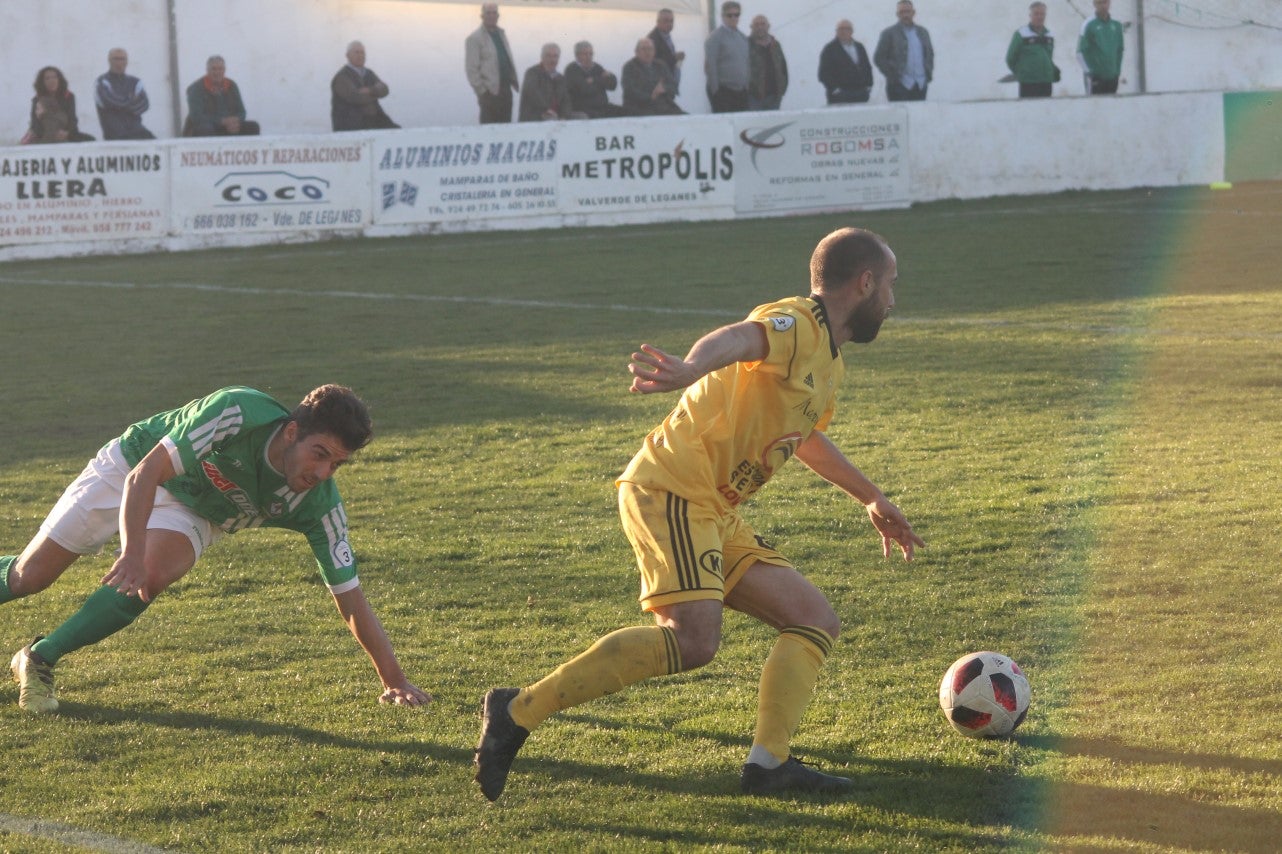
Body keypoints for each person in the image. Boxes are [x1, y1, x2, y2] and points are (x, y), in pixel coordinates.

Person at [475, 228, 924, 800]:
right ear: (865, 283)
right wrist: (691, 367)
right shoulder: (798, 321)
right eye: (890, 285)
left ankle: (769, 765)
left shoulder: (829, 364)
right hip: (673, 490)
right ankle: (516, 711)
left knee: (814, 619)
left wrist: (871, 496)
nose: (892, 299)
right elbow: (740, 337)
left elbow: (805, 439)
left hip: (713, 509)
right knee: (693, 641)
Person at [5, 385, 430, 715]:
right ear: (292, 431)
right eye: (319, 455)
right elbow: (146, 474)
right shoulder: (238, 412)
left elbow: (350, 595)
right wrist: (131, 550)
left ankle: (39, 659)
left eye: (336, 464)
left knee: (150, 577)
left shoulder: (318, 506)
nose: (322, 473)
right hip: (134, 465)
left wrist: (394, 680)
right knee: (31, 576)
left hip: (198, 510)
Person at [465, 3, 520, 124]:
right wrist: (483, 92)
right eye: (488, 13)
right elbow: (471, 70)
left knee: (505, 129)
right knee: (489, 131)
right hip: (490, 93)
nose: (491, 16)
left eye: (494, 13)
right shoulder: (474, 38)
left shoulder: (501, 34)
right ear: (482, 16)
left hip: (505, 91)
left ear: (498, 16)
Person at [183, 55, 261, 136]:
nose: (217, 72)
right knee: (205, 129)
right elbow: (197, 117)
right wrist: (222, 121)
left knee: (253, 126)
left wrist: (235, 121)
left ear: (224, 70)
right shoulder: (195, 89)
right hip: (206, 128)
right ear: (207, 70)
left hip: (228, 127)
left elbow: (242, 112)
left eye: (220, 69)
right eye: (214, 69)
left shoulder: (232, 85)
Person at [331, 41, 399, 131]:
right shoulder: (341, 77)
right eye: (357, 52)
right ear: (348, 55)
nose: (360, 56)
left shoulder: (369, 73)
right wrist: (376, 92)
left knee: (398, 133)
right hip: (350, 125)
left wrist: (369, 90)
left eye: (362, 52)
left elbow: (385, 90)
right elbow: (356, 97)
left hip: (375, 120)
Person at [873, 1, 934, 102]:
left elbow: (929, 54)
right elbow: (879, 58)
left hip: (920, 84)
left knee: (918, 115)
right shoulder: (889, 33)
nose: (905, 15)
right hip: (899, 85)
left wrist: (928, 73)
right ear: (897, 14)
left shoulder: (923, 32)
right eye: (902, 12)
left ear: (913, 12)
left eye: (907, 11)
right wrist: (893, 76)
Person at [23, 66, 95, 144]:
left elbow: (72, 119)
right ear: (42, 82)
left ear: (59, 80)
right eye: (47, 78)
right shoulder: (37, 100)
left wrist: (66, 132)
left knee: (91, 140)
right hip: (45, 135)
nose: (52, 81)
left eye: (55, 77)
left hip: (65, 133)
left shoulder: (68, 96)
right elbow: (35, 125)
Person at [95, 48, 154, 140]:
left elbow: (144, 105)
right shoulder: (102, 82)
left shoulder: (135, 82)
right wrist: (131, 100)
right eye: (116, 59)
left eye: (122, 59)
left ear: (127, 61)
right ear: (109, 61)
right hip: (114, 134)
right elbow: (109, 102)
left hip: (137, 131)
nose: (119, 62)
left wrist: (121, 102)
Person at [704, 1, 750, 113]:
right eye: (730, 15)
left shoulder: (743, 37)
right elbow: (710, 66)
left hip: (741, 92)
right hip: (724, 92)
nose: (733, 18)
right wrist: (716, 91)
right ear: (723, 16)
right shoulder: (715, 37)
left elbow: (746, 63)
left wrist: (747, 86)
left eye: (737, 14)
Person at [519, 43, 583, 122]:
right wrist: (546, 109)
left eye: (555, 56)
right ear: (542, 57)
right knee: (550, 119)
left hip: (556, 116)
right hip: (536, 115)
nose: (552, 59)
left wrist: (564, 116)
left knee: (582, 117)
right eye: (548, 56)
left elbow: (566, 100)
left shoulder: (560, 78)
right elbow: (532, 92)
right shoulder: (532, 73)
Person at [1007, 3, 1059, 99]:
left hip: (1046, 81)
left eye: (1042, 14)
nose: (1039, 17)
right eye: (1036, 14)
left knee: (1045, 110)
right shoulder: (1021, 33)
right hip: (1028, 82)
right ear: (1030, 15)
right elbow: (1010, 58)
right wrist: (1022, 73)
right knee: (1028, 111)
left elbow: (1049, 57)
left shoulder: (1049, 35)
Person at [622, 38, 685, 116]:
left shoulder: (661, 65)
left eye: (650, 49)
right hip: (639, 108)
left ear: (654, 51)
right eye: (644, 49)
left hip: (663, 106)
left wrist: (664, 88)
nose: (647, 52)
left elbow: (674, 86)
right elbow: (629, 91)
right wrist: (651, 96)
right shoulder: (629, 67)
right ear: (637, 52)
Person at [564, 41, 627, 119]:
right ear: (577, 55)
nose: (589, 57)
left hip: (603, 107)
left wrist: (594, 80)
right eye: (585, 54)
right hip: (583, 109)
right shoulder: (571, 70)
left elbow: (612, 85)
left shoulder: (596, 67)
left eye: (591, 54)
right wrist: (601, 80)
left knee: (628, 112)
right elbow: (584, 89)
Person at [818, 20, 874, 105]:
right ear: (836, 32)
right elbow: (823, 73)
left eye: (846, 29)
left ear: (852, 31)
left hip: (860, 94)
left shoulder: (859, 47)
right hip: (839, 96)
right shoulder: (829, 49)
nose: (843, 31)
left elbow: (867, 67)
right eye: (840, 29)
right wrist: (835, 90)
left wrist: (868, 86)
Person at [1077, 0, 1123, 95]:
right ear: (1094, 4)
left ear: (1109, 3)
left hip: (1112, 77)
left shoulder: (1116, 25)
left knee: (1111, 107)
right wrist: (1090, 72)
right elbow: (1080, 53)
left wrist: (1117, 72)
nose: (1103, 5)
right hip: (1095, 78)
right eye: (1100, 2)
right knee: (1094, 107)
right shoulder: (1088, 25)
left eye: (1105, 2)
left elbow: (1120, 50)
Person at [747, 15, 788, 111]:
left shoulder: (776, 45)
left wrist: (782, 90)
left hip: (774, 97)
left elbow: (783, 68)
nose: (760, 27)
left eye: (763, 24)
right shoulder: (746, 45)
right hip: (753, 98)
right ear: (751, 27)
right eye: (756, 25)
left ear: (768, 26)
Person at [647, 8, 686, 94]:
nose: (669, 24)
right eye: (666, 21)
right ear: (658, 22)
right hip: (659, 88)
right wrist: (674, 58)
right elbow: (652, 63)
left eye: (671, 21)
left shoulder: (666, 35)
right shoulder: (652, 39)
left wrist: (678, 60)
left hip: (669, 86)